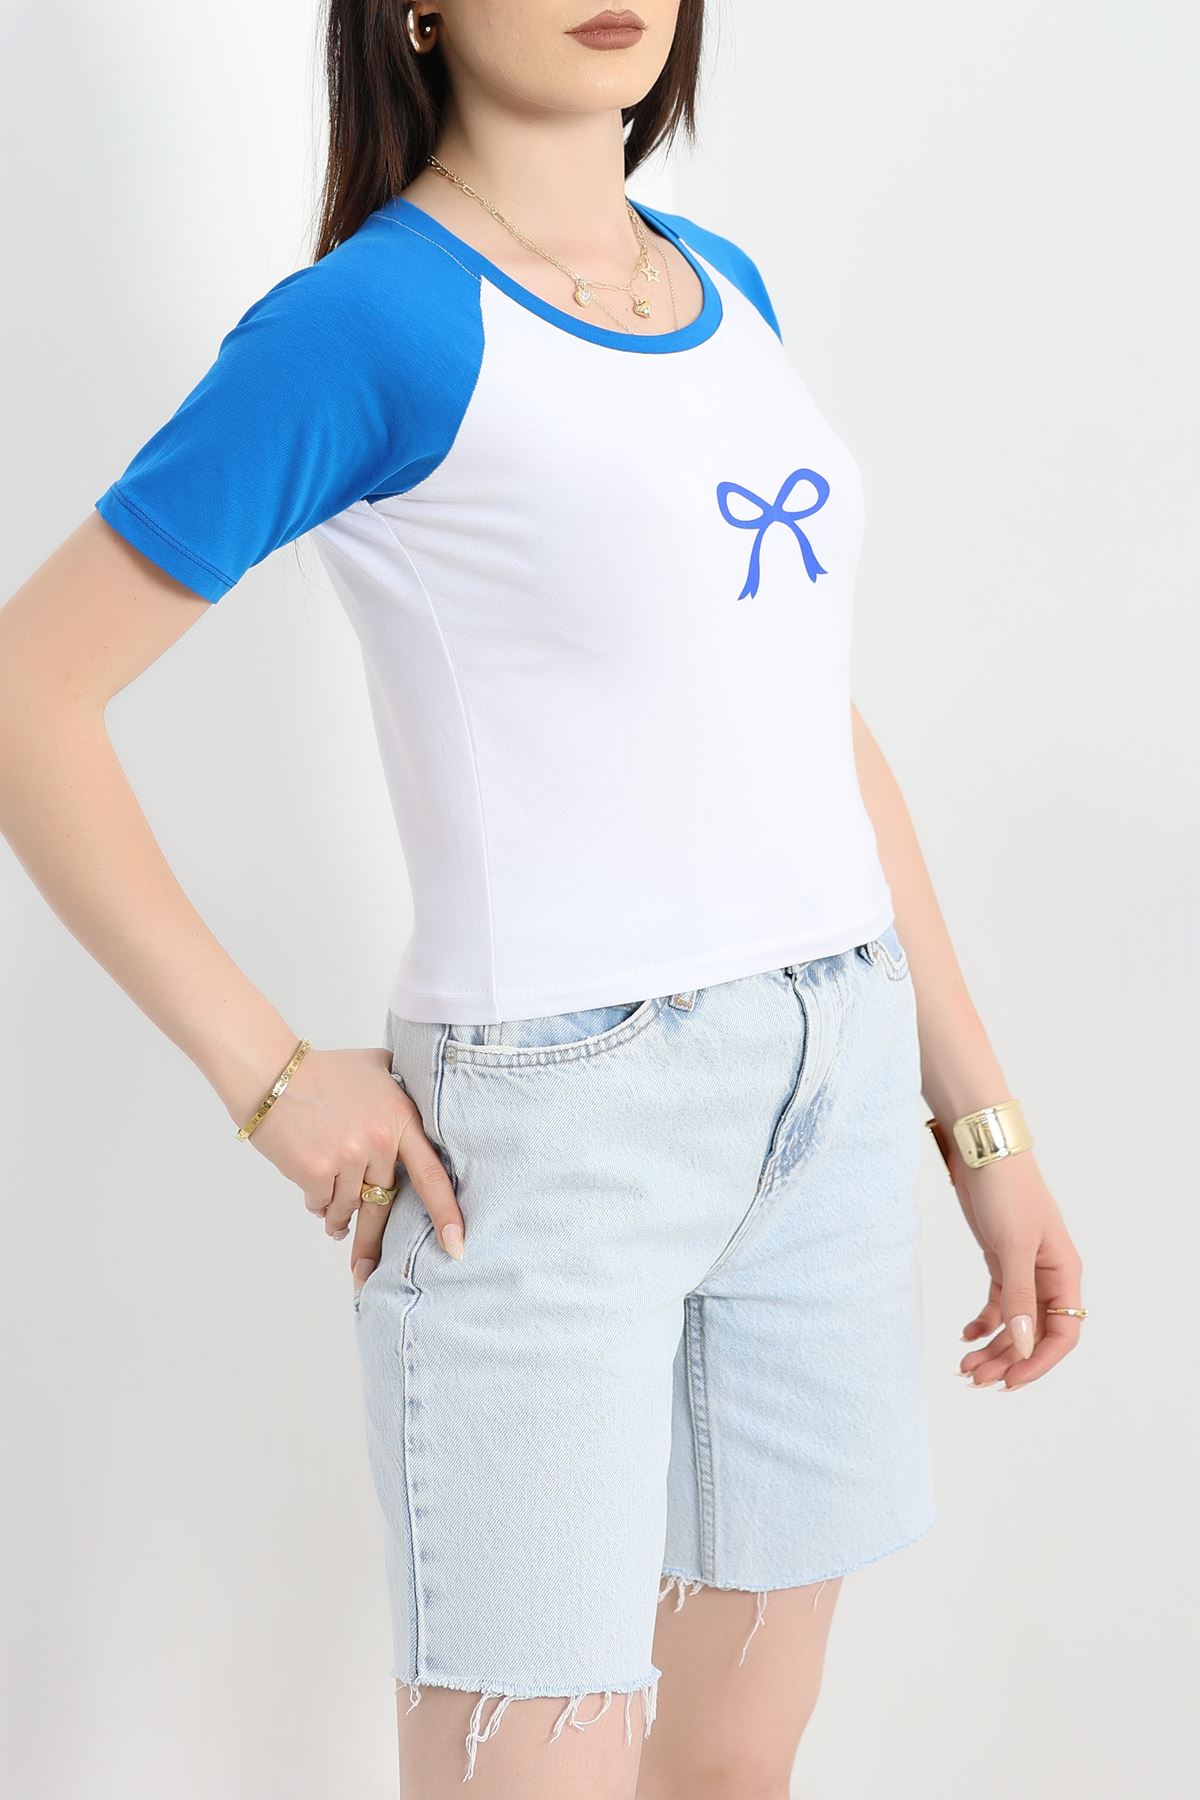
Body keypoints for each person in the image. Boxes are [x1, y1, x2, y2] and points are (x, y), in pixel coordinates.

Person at [0, 3, 1087, 1796]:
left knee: (739, 1761)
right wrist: (269, 1077)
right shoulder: (370, 322)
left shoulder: (724, 284)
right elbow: (31, 693)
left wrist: (980, 1121)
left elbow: (806, 720)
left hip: (830, 1095)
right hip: (560, 1135)